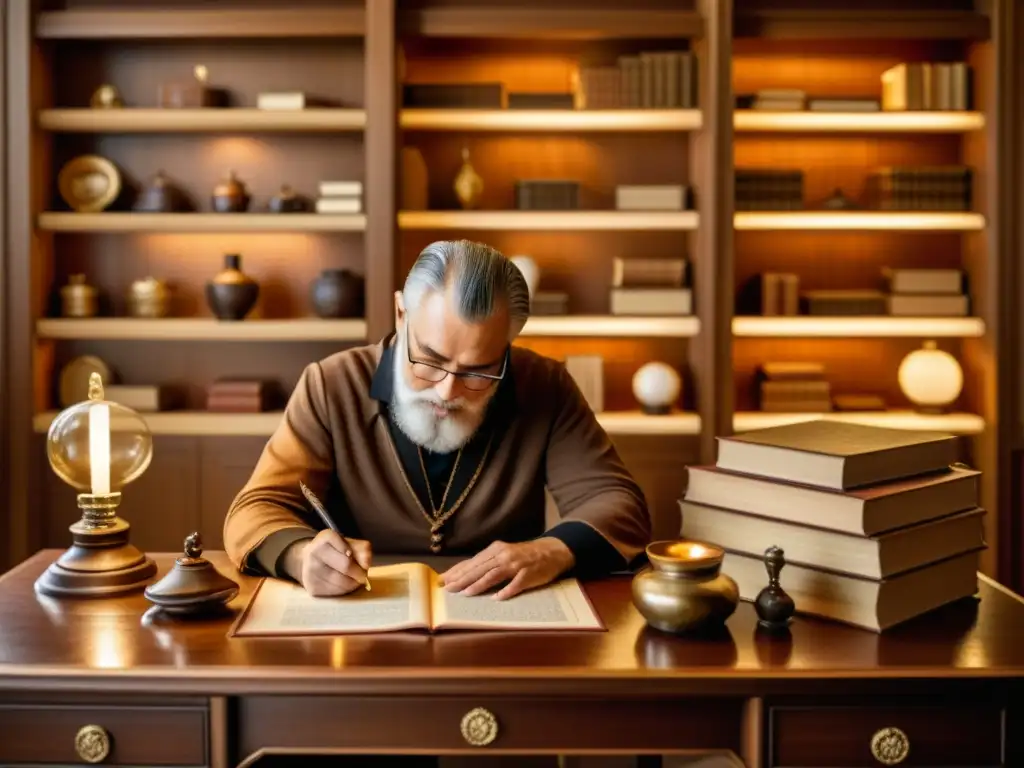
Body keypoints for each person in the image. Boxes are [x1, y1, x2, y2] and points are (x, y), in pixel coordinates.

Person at [223, 239, 652, 601]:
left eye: (478, 370)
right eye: (429, 360)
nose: (447, 391)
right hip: (357, 617)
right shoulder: (331, 384)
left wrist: (552, 551)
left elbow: (619, 503)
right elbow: (254, 509)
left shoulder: (545, 385)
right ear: (400, 314)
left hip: (501, 620)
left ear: (508, 343)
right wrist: (300, 556)